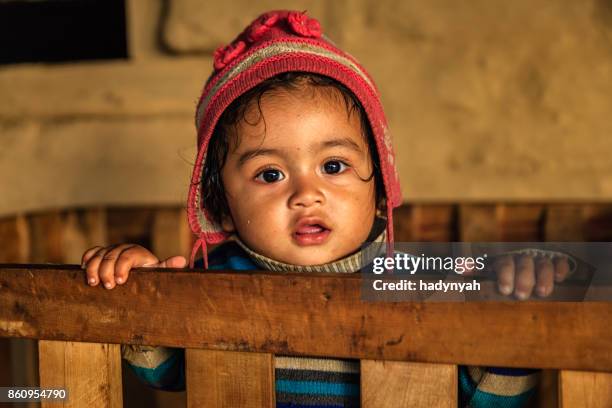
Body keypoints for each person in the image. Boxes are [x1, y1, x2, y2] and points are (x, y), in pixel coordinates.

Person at [81, 10, 570, 407]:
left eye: (333, 165)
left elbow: (490, 398)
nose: (306, 194)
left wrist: (513, 313)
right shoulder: (214, 282)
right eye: (270, 174)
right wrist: (136, 293)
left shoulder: (422, 281)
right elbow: (162, 372)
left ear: (381, 188)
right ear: (222, 208)